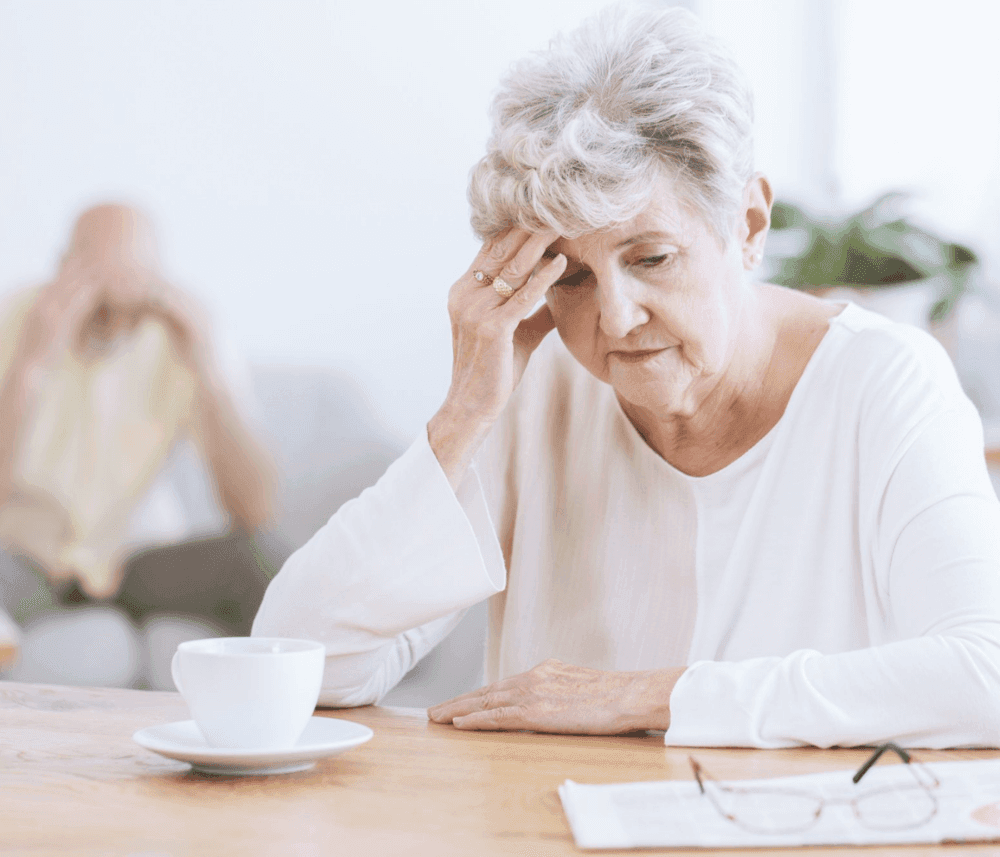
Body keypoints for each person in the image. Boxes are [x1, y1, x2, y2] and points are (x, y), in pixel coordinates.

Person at [252, 6, 1000, 748]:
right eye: (571, 277)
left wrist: (649, 695)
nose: (614, 318)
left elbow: (986, 677)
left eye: (650, 259)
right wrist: (460, 418)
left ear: (746, 226)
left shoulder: (885, 381)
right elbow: (302, 664)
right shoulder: (534, 387)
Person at [0, 203, 281, 686]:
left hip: (132, 564)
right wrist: (30, 366)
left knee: (260, 559)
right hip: (28, 560)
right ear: (62, 268)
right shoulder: (19, 320)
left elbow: (255, 510)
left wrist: (206, 367)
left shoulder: (185, 338)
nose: (108, 312)